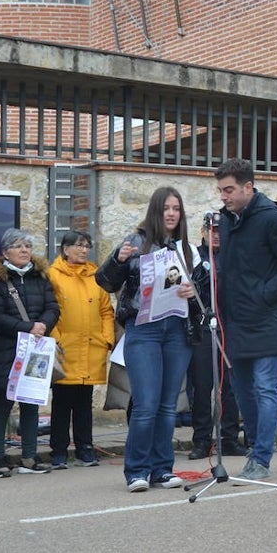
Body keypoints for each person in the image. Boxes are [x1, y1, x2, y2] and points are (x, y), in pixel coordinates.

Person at [95, 186, 198, 492]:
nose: (171, 213)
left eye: (176, 209)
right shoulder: (135, 242)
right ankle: (137, 470)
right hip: (144, 330)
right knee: (146, 404)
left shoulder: (186, 249)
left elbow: (199, 293)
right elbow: (105, 282)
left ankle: (162, 470)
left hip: (177, 330)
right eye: (166, 208)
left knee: (168, 406)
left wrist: (193, 292)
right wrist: (118, 258)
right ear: (156, 211)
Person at [211, 159, 277, 482]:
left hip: (266, 317)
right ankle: (254, 447)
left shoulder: (272, 219)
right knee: (242, 390)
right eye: (221, 191)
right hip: (234, 319)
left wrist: (265, 294)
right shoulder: (226, 220)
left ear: (248, 187)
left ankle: (262, 456)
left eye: (229, 190)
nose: (223, 197)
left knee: (266, 386)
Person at [0, 228, 60, 476]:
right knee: (2, 405)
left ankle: (29, 456)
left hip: (35, 351)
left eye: (27, 245)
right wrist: (28, 327)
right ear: (5, 252)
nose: (24, 250)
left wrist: (43, 326)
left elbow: (52, 307)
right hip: (7, 351)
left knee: (31, 405)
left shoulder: (40, 277)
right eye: (18, 246)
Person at [45, 230, 113, 469]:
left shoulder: (96, 276)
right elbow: (48, 309)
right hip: (65, 348)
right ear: (65, 249)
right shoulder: (52, 275)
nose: (84, 250)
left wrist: (107, 338)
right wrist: (56, 338)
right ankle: (59, 451)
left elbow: (106, 311)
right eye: (78, 245)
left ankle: (85, 449)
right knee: (62, 402)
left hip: (91, 347)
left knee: (84, 403)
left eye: (87, 246)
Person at [187, 214, 242, 459]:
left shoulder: (233, 256)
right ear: (202, 231)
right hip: (202, 328)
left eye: (220, 230)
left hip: (230, 327)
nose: (216, 235)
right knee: (202, 386)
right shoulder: (194, 256)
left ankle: (229, 438)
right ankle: (201, 441)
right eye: (212, 230)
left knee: (229, 387)